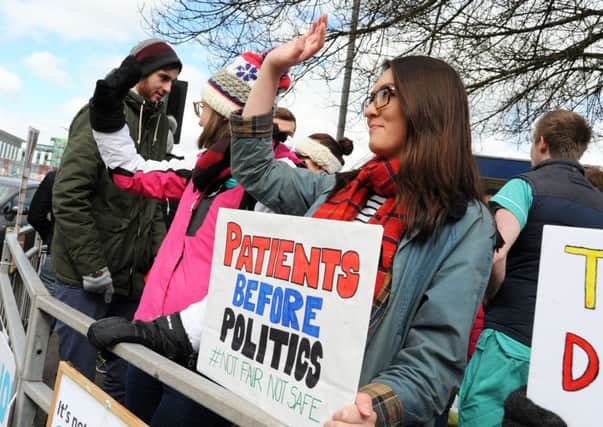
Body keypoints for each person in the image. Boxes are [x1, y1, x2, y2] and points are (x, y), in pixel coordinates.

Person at [88, 16, 496, 426]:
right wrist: (271, 70)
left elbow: (435, 360)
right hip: (259, 389)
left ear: (429, 105)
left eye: (385, 94)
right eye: (370, 96)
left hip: (337, 414)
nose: (371, 108)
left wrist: (374, 406)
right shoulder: (336, 190)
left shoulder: (465, 223)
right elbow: (253, 171)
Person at [84, 51, 297, 425]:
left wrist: (176, 333)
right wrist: (106, 112)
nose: (199, 116)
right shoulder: (203, 171)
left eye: (204, 107)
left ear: (223, 115)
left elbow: (259, 283)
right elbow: (130, 171)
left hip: (205, 356)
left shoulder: (274, 182)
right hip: (151, 334)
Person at [52, 39, 182, 403]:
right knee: (76, 382)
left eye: (173, 82)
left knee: (123, 383)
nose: (168, 89)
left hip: (132, 279)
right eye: (163, 77)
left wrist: (158, 263)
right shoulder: (97, 115)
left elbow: (152, 203)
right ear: (138, 72)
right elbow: (69, 194)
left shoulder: (159, 126)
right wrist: (93, 266)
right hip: (84, 277)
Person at [458, 110, 603, 426]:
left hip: (508, 344)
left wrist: (489, 295)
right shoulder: (599, 203)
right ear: (578, 149)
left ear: (541, 143)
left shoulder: (523, 187)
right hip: (570, 359)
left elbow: (495, 252)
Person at [27, 169, 56, 294]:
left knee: (45, 308)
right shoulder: (108, 181)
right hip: (104, 269)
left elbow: (35, 216)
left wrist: (51, 236)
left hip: (58, 257)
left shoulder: (55, 177)